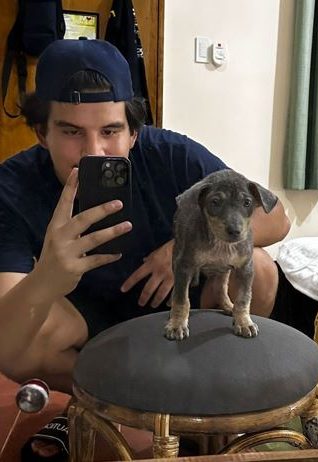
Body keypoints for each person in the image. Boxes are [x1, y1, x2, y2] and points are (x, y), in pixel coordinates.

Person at [0, 38, 291, 460]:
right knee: (28, 328)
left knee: (258, 268)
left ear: (134, 132)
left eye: (110, 131)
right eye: (71, 131)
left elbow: (277, 218)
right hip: (86, 327)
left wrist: (182, 248)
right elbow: (7, 346)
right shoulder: (13, 185)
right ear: (42, 132)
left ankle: (204, 398)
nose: (94, 151)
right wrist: (47, 277)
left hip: (182, 311)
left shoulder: (169, 153)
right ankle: (103, 401)